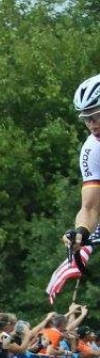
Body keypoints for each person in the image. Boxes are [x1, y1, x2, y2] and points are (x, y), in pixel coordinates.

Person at [70, 75, 100, 250]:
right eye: (86, 118)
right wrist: (81, 232)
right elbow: (90, 208)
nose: (92, 124)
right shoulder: (92, 149)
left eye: (96, 115)